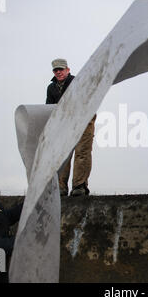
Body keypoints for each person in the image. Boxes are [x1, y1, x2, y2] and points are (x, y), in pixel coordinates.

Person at [46, 58, 96, 196]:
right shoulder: (51, 88)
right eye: (56, 70)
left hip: (84, 118)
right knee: (63, 155)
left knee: (82, 152)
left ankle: (79, 186)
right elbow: (49, 108)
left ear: (67, 70)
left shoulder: (78, 82)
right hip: (64, 122)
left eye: (61, 69)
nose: (58, 72)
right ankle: (61, 187)